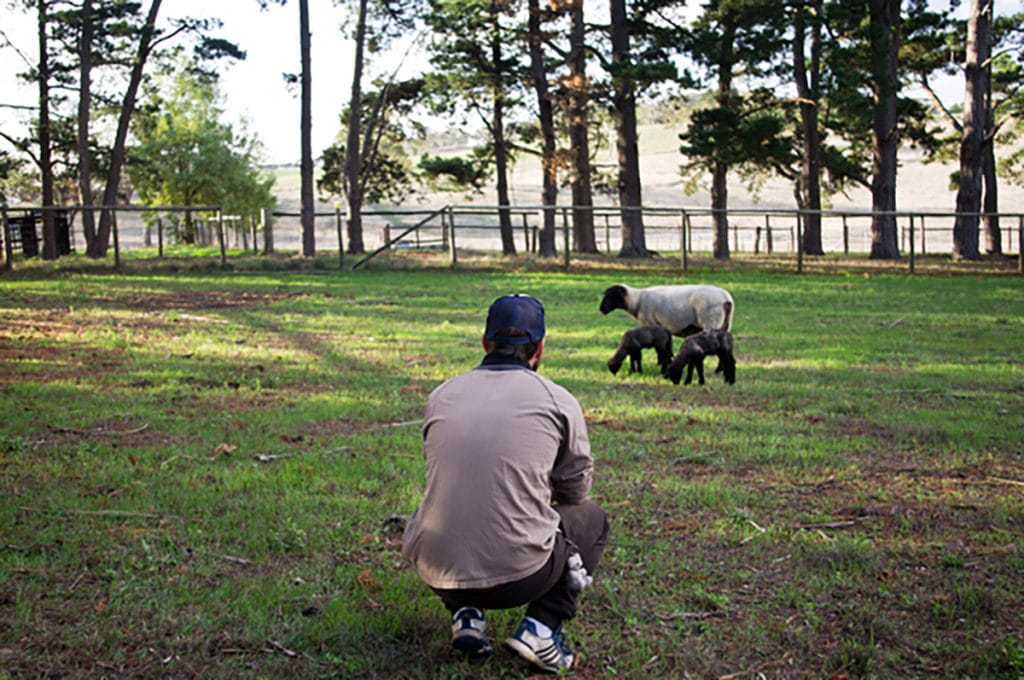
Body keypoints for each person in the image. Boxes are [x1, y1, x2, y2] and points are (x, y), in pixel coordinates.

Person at [402, 293, 609, 673]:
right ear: (541, 348)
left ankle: (466, 614)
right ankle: (542, 628)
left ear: (485, 343)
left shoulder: (442, 394)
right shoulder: (558, 400)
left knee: (457, 502)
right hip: (521, 576)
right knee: (592, 519)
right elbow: (576, 491)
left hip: (437, 569)